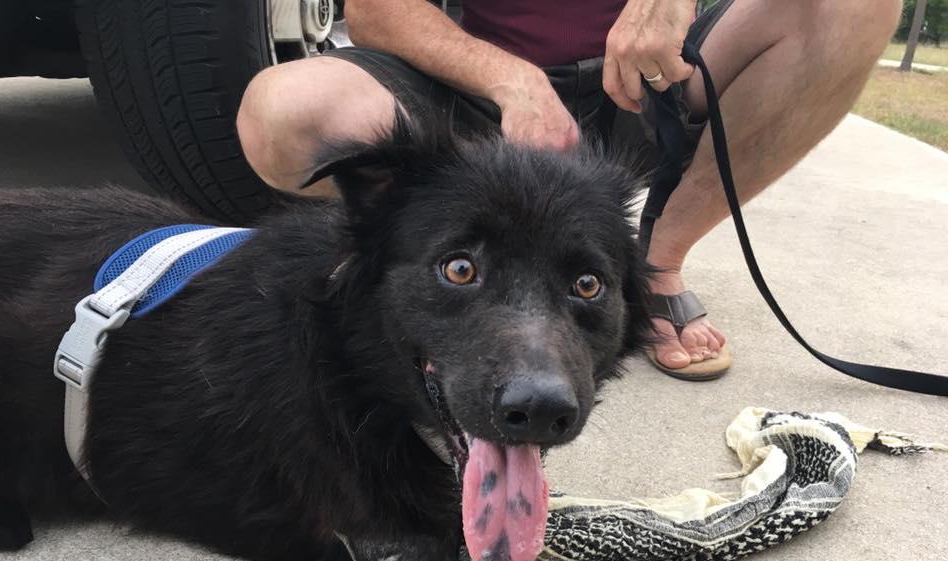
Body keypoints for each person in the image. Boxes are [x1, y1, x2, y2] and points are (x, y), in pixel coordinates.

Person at [236, 0, 902, 380]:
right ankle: (433, 252)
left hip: (649, 81)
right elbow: (376, 10)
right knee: (284, 111)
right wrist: (512, 81)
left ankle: (653, 265)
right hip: (474, 98)